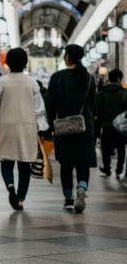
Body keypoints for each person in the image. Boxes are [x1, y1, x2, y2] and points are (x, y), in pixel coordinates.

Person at [0, 48, 48, 211]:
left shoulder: (3, 82)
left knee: (6, 161)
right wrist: (42, 128)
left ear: (7, 62)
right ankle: (20, 199)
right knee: (24, 164)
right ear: (25, 63)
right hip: (27, 127)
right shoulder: (32, 82)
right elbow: (39, 109)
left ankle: (10, 187)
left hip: (7, 126)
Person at [46, 44, 96, 213]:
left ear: (67, 56)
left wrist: (49, 125)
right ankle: (82, 187)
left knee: (66, 165)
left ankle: (68, 198)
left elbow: (50, 105)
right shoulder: (89, 78)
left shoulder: (57, 77)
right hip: (85, 127)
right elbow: (93, 105)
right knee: (83, 163)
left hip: (64, 128)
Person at [94, 69, 127, 178]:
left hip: (106, 126)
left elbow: (96, 112)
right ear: (118, 79)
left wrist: (97, 130)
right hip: (120, 127)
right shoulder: (124, 93)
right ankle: (119, 170)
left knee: (105, 148)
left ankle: (107, 169)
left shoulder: (101, 93)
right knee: (121, 147)